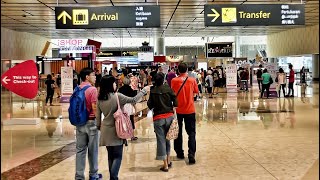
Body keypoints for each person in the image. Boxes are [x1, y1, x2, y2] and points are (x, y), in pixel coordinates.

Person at [96, 75, 151, 180]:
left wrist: (100, 128)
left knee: (110, 156)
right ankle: (114, 177)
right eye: (114, 83)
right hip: (118, 130)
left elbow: (98, 119)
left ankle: (113, 177)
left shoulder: (99, 98)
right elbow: (134, 100)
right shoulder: (117, 96)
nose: (115, 84)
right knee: (118, 156)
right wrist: (144, 91)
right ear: (110, 85)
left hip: (105, 130)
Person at [75, 68, 102, 180]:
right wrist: (99, 122)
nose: (95, 77)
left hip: (80, 123)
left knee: (80, 150)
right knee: (93, 150)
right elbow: (95, 108)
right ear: (87, 76)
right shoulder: (92, 90)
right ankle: (93, 175)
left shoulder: (77, 88)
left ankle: (79, 176)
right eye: (93, 75)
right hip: (91, 123)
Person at [147, 72, 177, 172]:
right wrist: (172, 107)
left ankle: (165, 165)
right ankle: (168, 160)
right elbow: (175, 100)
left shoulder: (153, 90)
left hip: (158, 118)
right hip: (169, 117)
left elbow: (150, 105)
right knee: (167, 139)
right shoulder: (168, 88)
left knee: (161, 141)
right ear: (164, 79)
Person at [171, 62, 199, 164]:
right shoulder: (192, 80)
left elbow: (172, 93)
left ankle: (179, 152)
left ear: (178, 70)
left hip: (178, 110)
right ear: (187, 70)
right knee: (191, 133)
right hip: (190, 110)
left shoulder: (174, 80)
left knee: (178, 132)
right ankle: (191, 154)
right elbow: (196, 92)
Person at [118, 76, 138, 141]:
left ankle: (123, 135)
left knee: (123, 121)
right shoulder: (131, 89)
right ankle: (132, 136)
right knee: (131, 120)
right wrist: (135, 108)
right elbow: (133, 100)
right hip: (129, 106)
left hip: (122, 106)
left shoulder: (120, 89)